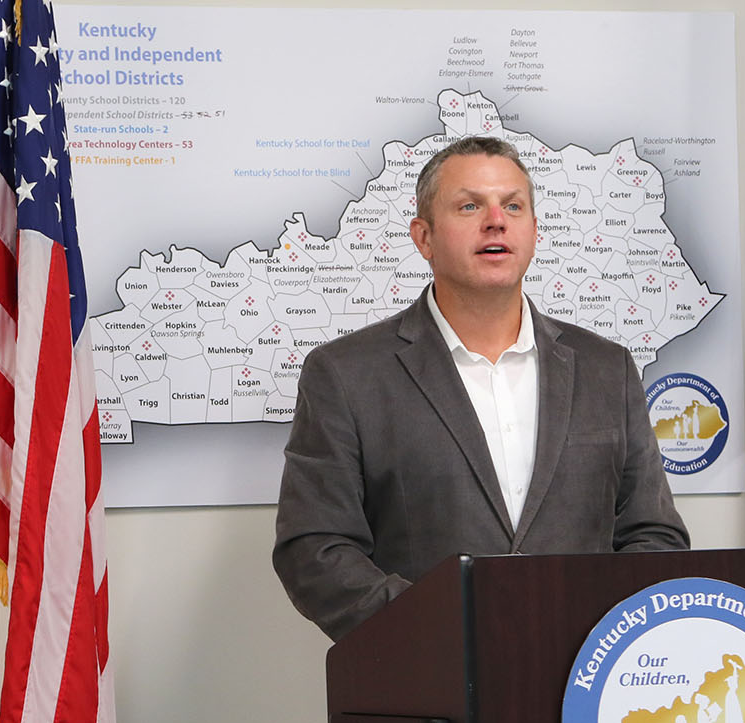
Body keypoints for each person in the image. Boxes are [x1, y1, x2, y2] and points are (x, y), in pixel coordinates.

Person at [273, 135, 689, 641]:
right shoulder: (345, 374)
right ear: (423, 238)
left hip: (584, 684)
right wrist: (447, 627)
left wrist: (596, 628)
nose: (496, 220)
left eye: (513, 205)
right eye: (470, 205)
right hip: (428, 687)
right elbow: (315, 549)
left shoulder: (608, 369)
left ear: (534, 230)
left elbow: (655, 535)